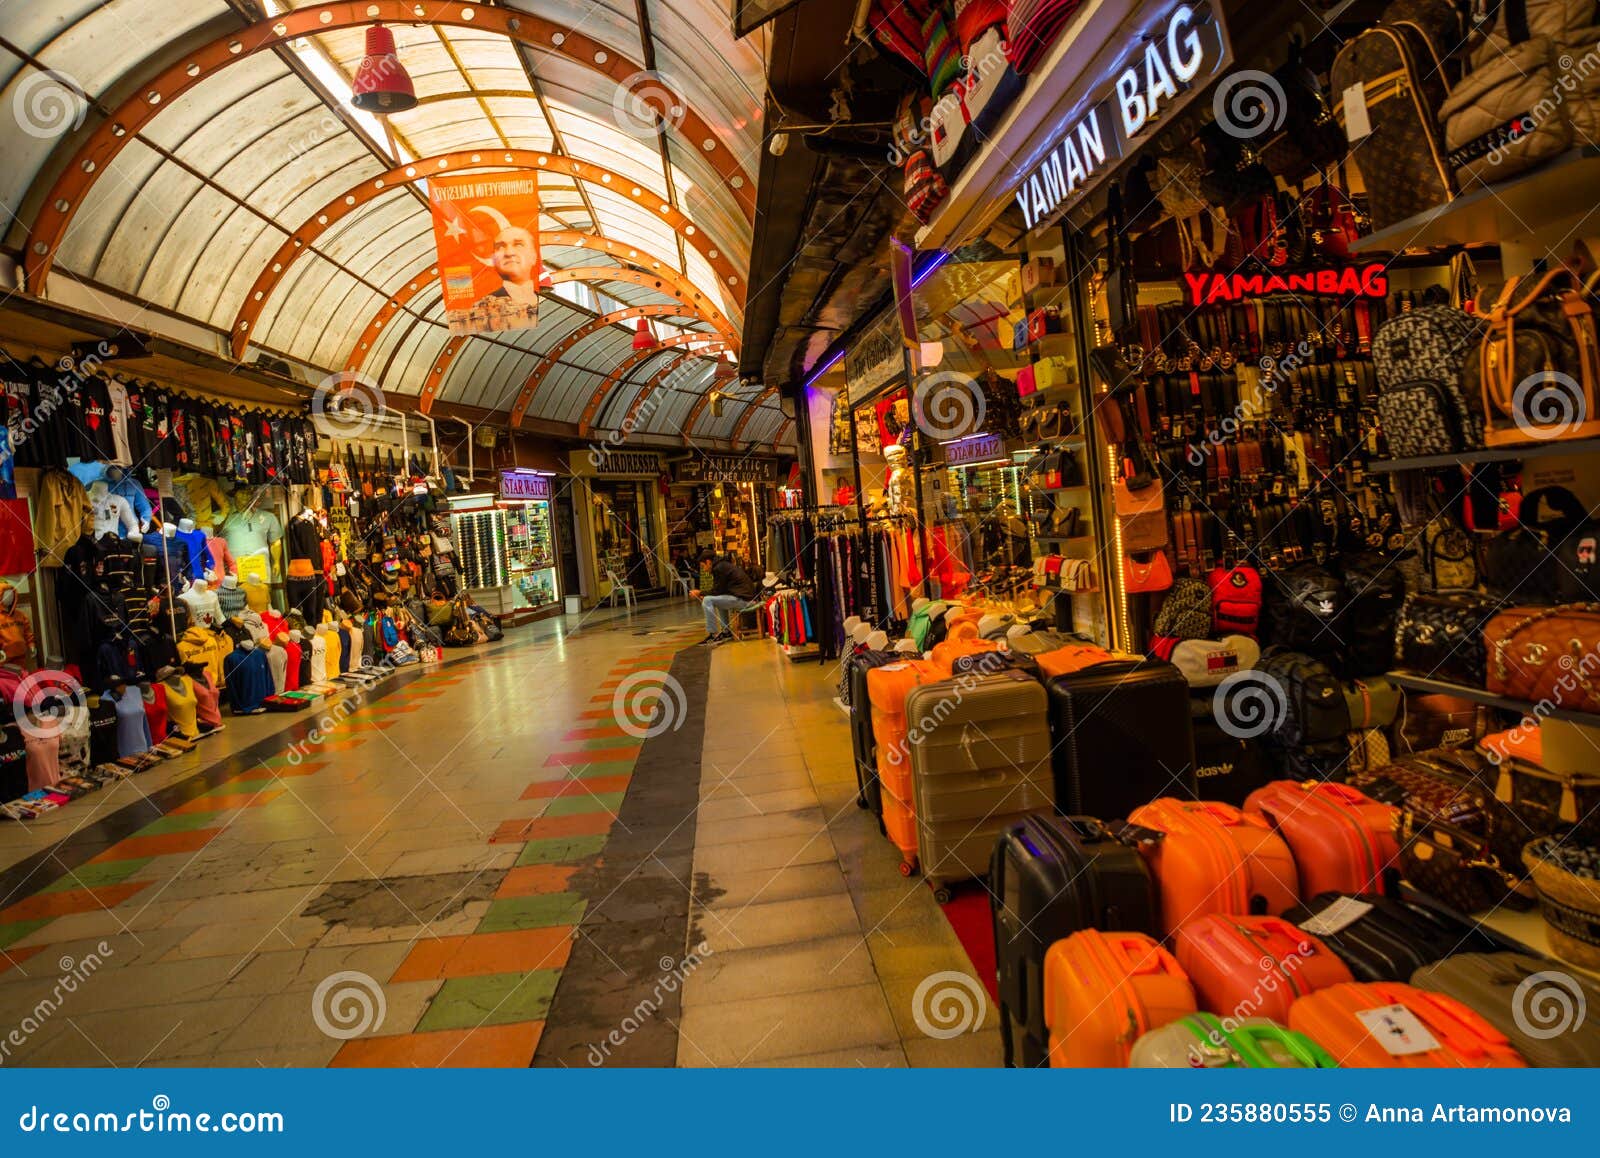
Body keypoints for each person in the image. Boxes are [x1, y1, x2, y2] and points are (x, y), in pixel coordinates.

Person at [691, 550, 756, 644]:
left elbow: (717, 591)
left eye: (703, 566)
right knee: (714, 599)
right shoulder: (722, 565)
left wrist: (700, 593)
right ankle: (726, 631)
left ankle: (713, 634)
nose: (704, 569)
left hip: (745, 600)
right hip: (746, 598)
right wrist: (705, 594)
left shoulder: (719, 568)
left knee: (707, 600)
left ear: (708, 562)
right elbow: (720, 591)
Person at [481, 226, 542, 305]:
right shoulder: (484, 305)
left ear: (534, 256)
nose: (509, 253)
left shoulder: (546, 300)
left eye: (518, 245)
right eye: (500, 247)